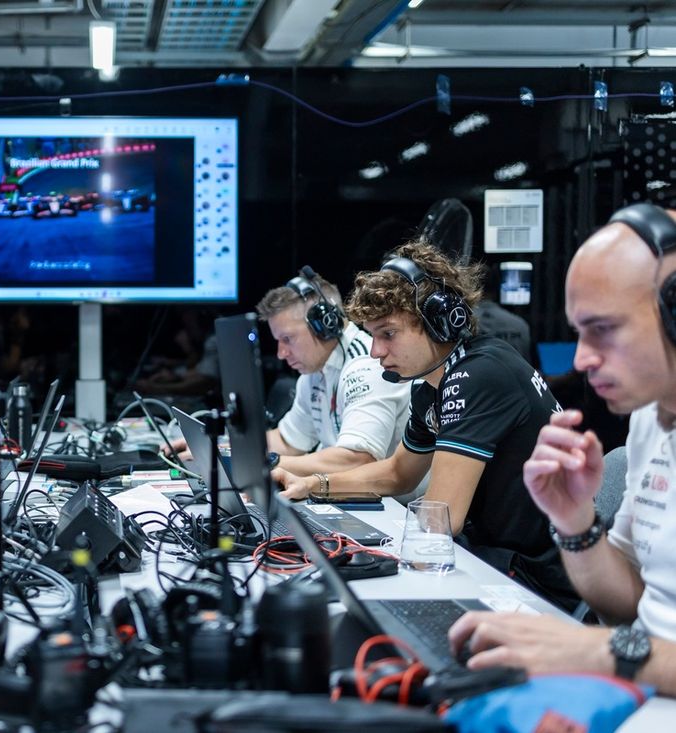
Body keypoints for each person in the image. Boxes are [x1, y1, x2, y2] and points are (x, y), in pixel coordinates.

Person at [448, 204, 676, 694]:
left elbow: (617, 637)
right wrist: (574, 521)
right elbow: (626, 607)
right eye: (579, 332)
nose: (582, 358)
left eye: (604, 329)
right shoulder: (650, 419)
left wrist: (597, 651)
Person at [274, 242, 575, 610]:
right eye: (372, 335)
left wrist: (362, 547)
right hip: (495, 558)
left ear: (439, 321)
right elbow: (399, 473)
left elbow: (442, 518)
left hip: (535, 577)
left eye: (388, 334)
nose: (375, 351)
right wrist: (313, 484)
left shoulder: (479, 375)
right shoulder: (431, 385)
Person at [258, 266, 411, 476]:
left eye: (287, 339)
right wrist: (225, 447)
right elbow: (287, 442)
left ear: (325, 324)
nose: (281, 353)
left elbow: (357, 460)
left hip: (391, 497)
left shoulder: (369, 366)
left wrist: (270, 463)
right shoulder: (314, 374)